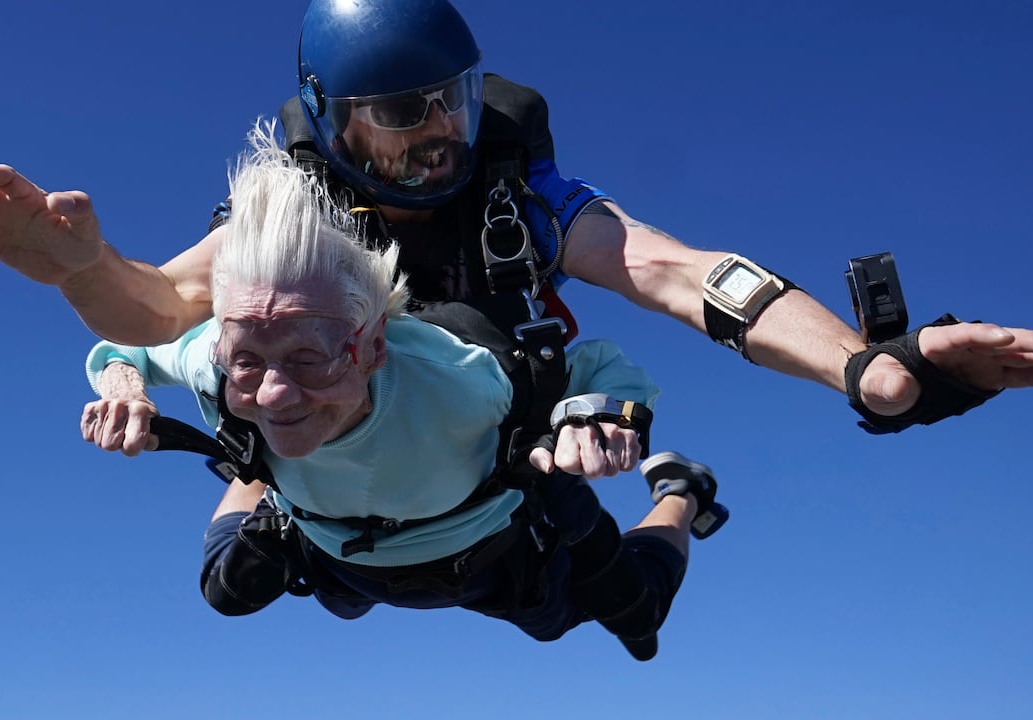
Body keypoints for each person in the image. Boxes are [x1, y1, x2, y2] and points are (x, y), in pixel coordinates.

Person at [0, 0, 1033, 434]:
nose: (432, 131)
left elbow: (677, 274)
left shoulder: (514, 195)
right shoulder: (299, 201)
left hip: (510, 458)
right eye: (395, 113)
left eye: (449, 100)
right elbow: (169, 308)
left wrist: (866, 369)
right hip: (338, 443)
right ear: (332, 121)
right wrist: (74, 267)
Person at [80, 123, 715, 661]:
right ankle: (266, 469)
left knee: (638, 620)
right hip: (338, 550)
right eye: (246, 359)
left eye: (311, 358)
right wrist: (125, 389)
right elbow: (123, 346)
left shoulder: (465, 377)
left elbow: (605, 368)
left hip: (492, 549)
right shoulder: (218, 353)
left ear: (374, 347)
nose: (274, 390)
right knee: (228, 591)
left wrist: (592, 417)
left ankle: (682, 491)